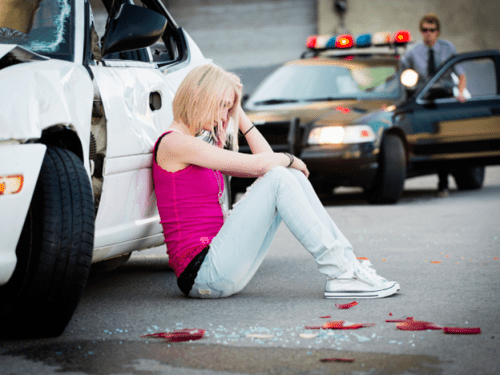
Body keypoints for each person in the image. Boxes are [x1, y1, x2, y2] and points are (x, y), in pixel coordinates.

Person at [152, 63, 400, 299]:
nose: (223, 117)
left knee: (284, 174)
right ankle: (342, 272)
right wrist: (291, 158)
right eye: (221, 105)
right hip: (202, 274)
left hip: (221, 262)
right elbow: (261, 165)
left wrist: (239, 113)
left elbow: (266, 161)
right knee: (281, 174)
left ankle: (347, 265)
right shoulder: (174, 143)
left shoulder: (197, 143)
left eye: (228, 109)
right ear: (197, 95)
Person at [402, 13, 467, 197]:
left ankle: (443, 182)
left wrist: (460, 93)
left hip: (444, 97)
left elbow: (461, 74)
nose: (427, 34)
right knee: (427, 139)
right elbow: (401, 70)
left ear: (437, 32)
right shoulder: (414, 53)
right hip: (424, 99)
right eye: (424, 30)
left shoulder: (448, 48)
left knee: (443, 141)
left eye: (431, 30)